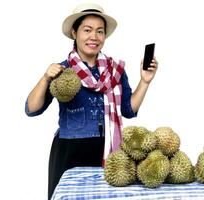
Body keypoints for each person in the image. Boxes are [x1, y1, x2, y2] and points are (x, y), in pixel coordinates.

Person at [25, 3, 158, 199]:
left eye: (99, 31)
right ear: (74, 33)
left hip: (108, 150)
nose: (94, 37)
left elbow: (129, 110)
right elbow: (31, 109)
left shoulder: (115, 70)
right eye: (87, 30)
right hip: (70, 150)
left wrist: (145, 81)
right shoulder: (62, 71)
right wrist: (45, 78)